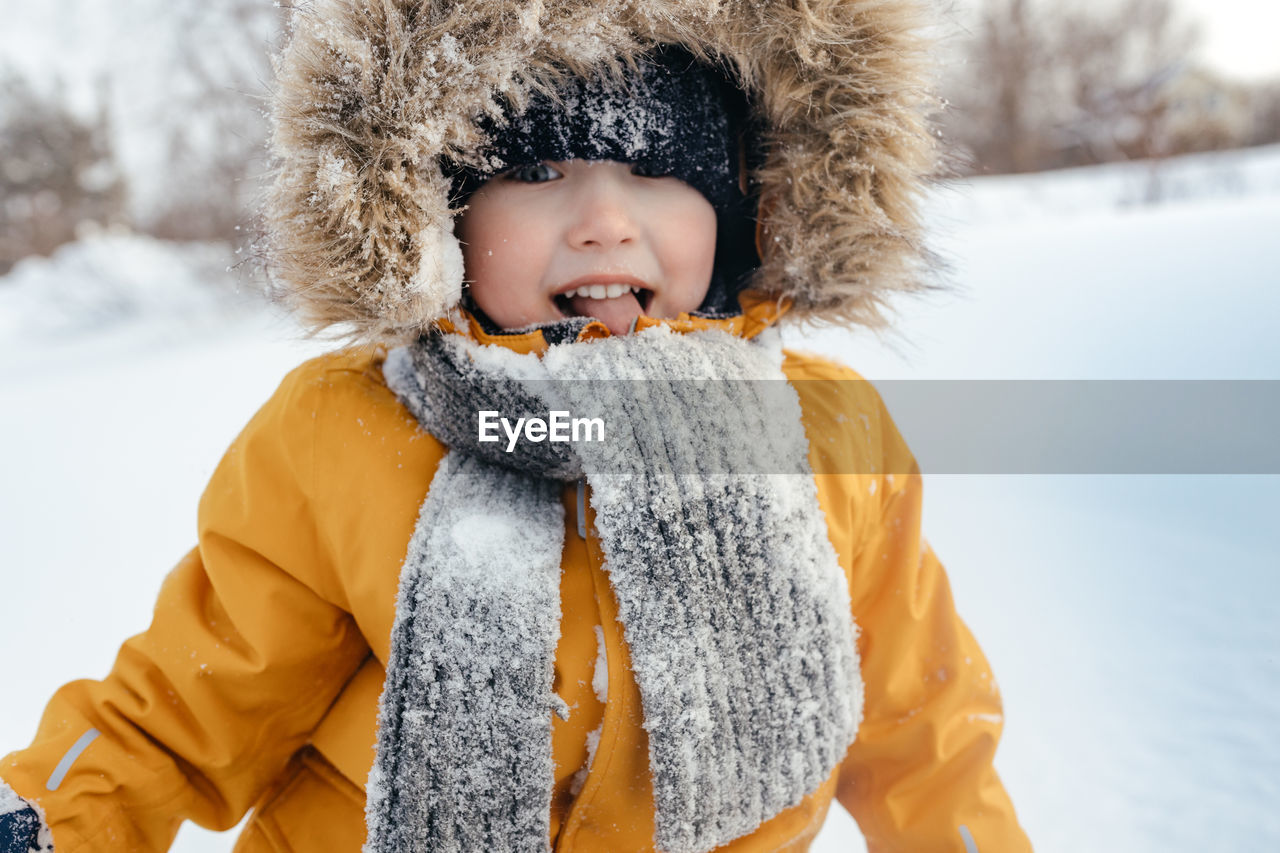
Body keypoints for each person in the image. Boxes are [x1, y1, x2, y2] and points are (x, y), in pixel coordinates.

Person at [1, 2, 1031, 851]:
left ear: (746, 210)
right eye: (536, 175)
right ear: (437, 210)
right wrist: (47, 822)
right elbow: (183, 709)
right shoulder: (343, 430)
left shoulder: (823, 431)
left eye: (659, 173)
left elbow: (918, 723)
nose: (602, 220)